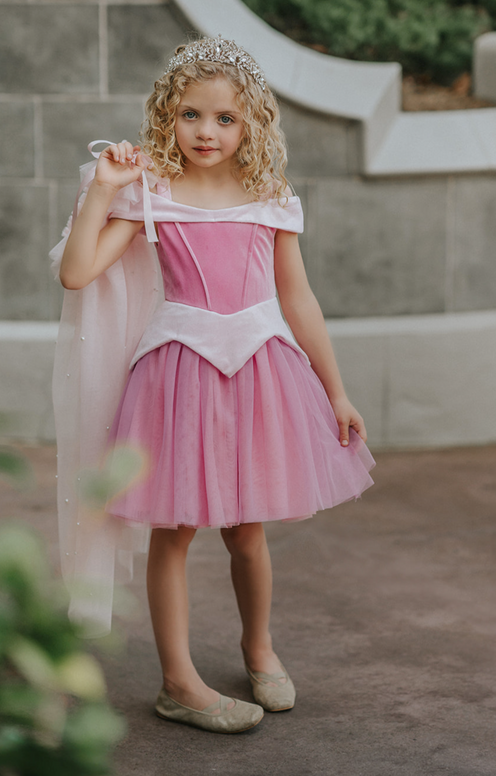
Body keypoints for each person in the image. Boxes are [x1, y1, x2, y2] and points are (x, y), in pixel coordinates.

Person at [51, 36, 375, 734]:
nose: (206, 131)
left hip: (260, 371)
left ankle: (258, 648)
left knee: (246, 532)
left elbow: (299, 300)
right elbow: (76, 274)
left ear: (251, 122)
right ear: (167, 115)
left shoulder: (270, 196)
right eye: (191, 114)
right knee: (175, 532)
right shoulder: (151, 195)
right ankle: (178, 684)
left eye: (224, 119)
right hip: (177, 377)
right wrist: (104, 189)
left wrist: (336, 390)